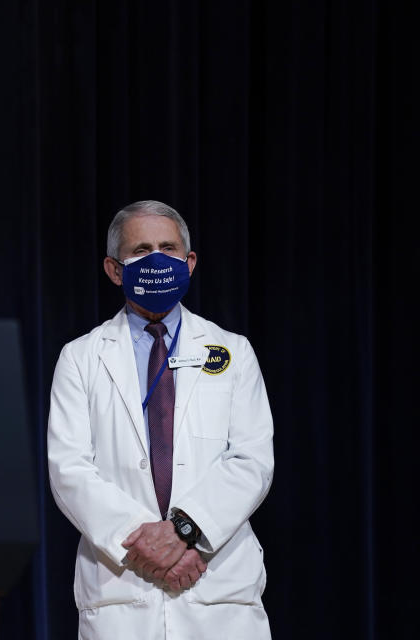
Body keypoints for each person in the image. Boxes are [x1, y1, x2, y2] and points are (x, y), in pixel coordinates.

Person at [47, 200, 274, 639]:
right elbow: (69, 470)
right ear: (115, 270)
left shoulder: (233, 351)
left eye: (168, 249)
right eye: (141, 250)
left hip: (217, 587)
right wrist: (149, 543)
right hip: (124, 588)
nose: (157, 261)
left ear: (189, 263)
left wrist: (186, 532)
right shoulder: (80, 357)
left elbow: (251, 460)